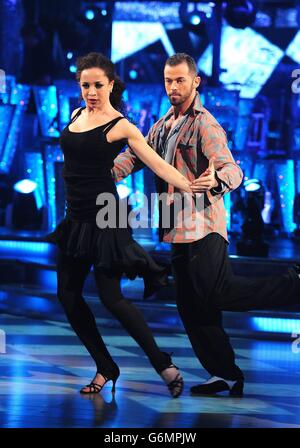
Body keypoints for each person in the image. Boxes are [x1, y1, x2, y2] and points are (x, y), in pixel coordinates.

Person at [112, 53, 300, 397]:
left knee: (215, 293)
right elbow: (138, 155)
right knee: (193, 308)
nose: (173, 86)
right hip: (176, 229)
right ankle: (224, 374)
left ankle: (294, 283)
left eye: (180, 80)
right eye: (169, 80)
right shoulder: (164, 123)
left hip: (203, 227)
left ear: (195, 82)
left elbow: (232, 170)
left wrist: (215, 182)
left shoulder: (205, 124)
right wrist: (103, 172)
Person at [47, 52, 192, 398]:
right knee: (67, 296)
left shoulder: (121, 125)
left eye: (98, 85)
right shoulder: (77, 114)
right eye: (86, 85)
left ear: (111, 85)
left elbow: (157, 164)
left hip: (105, 219)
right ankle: (105, 366)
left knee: (112, 299)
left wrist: (191, 185)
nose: (91, 92)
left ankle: (163, 363)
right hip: (76, 219)